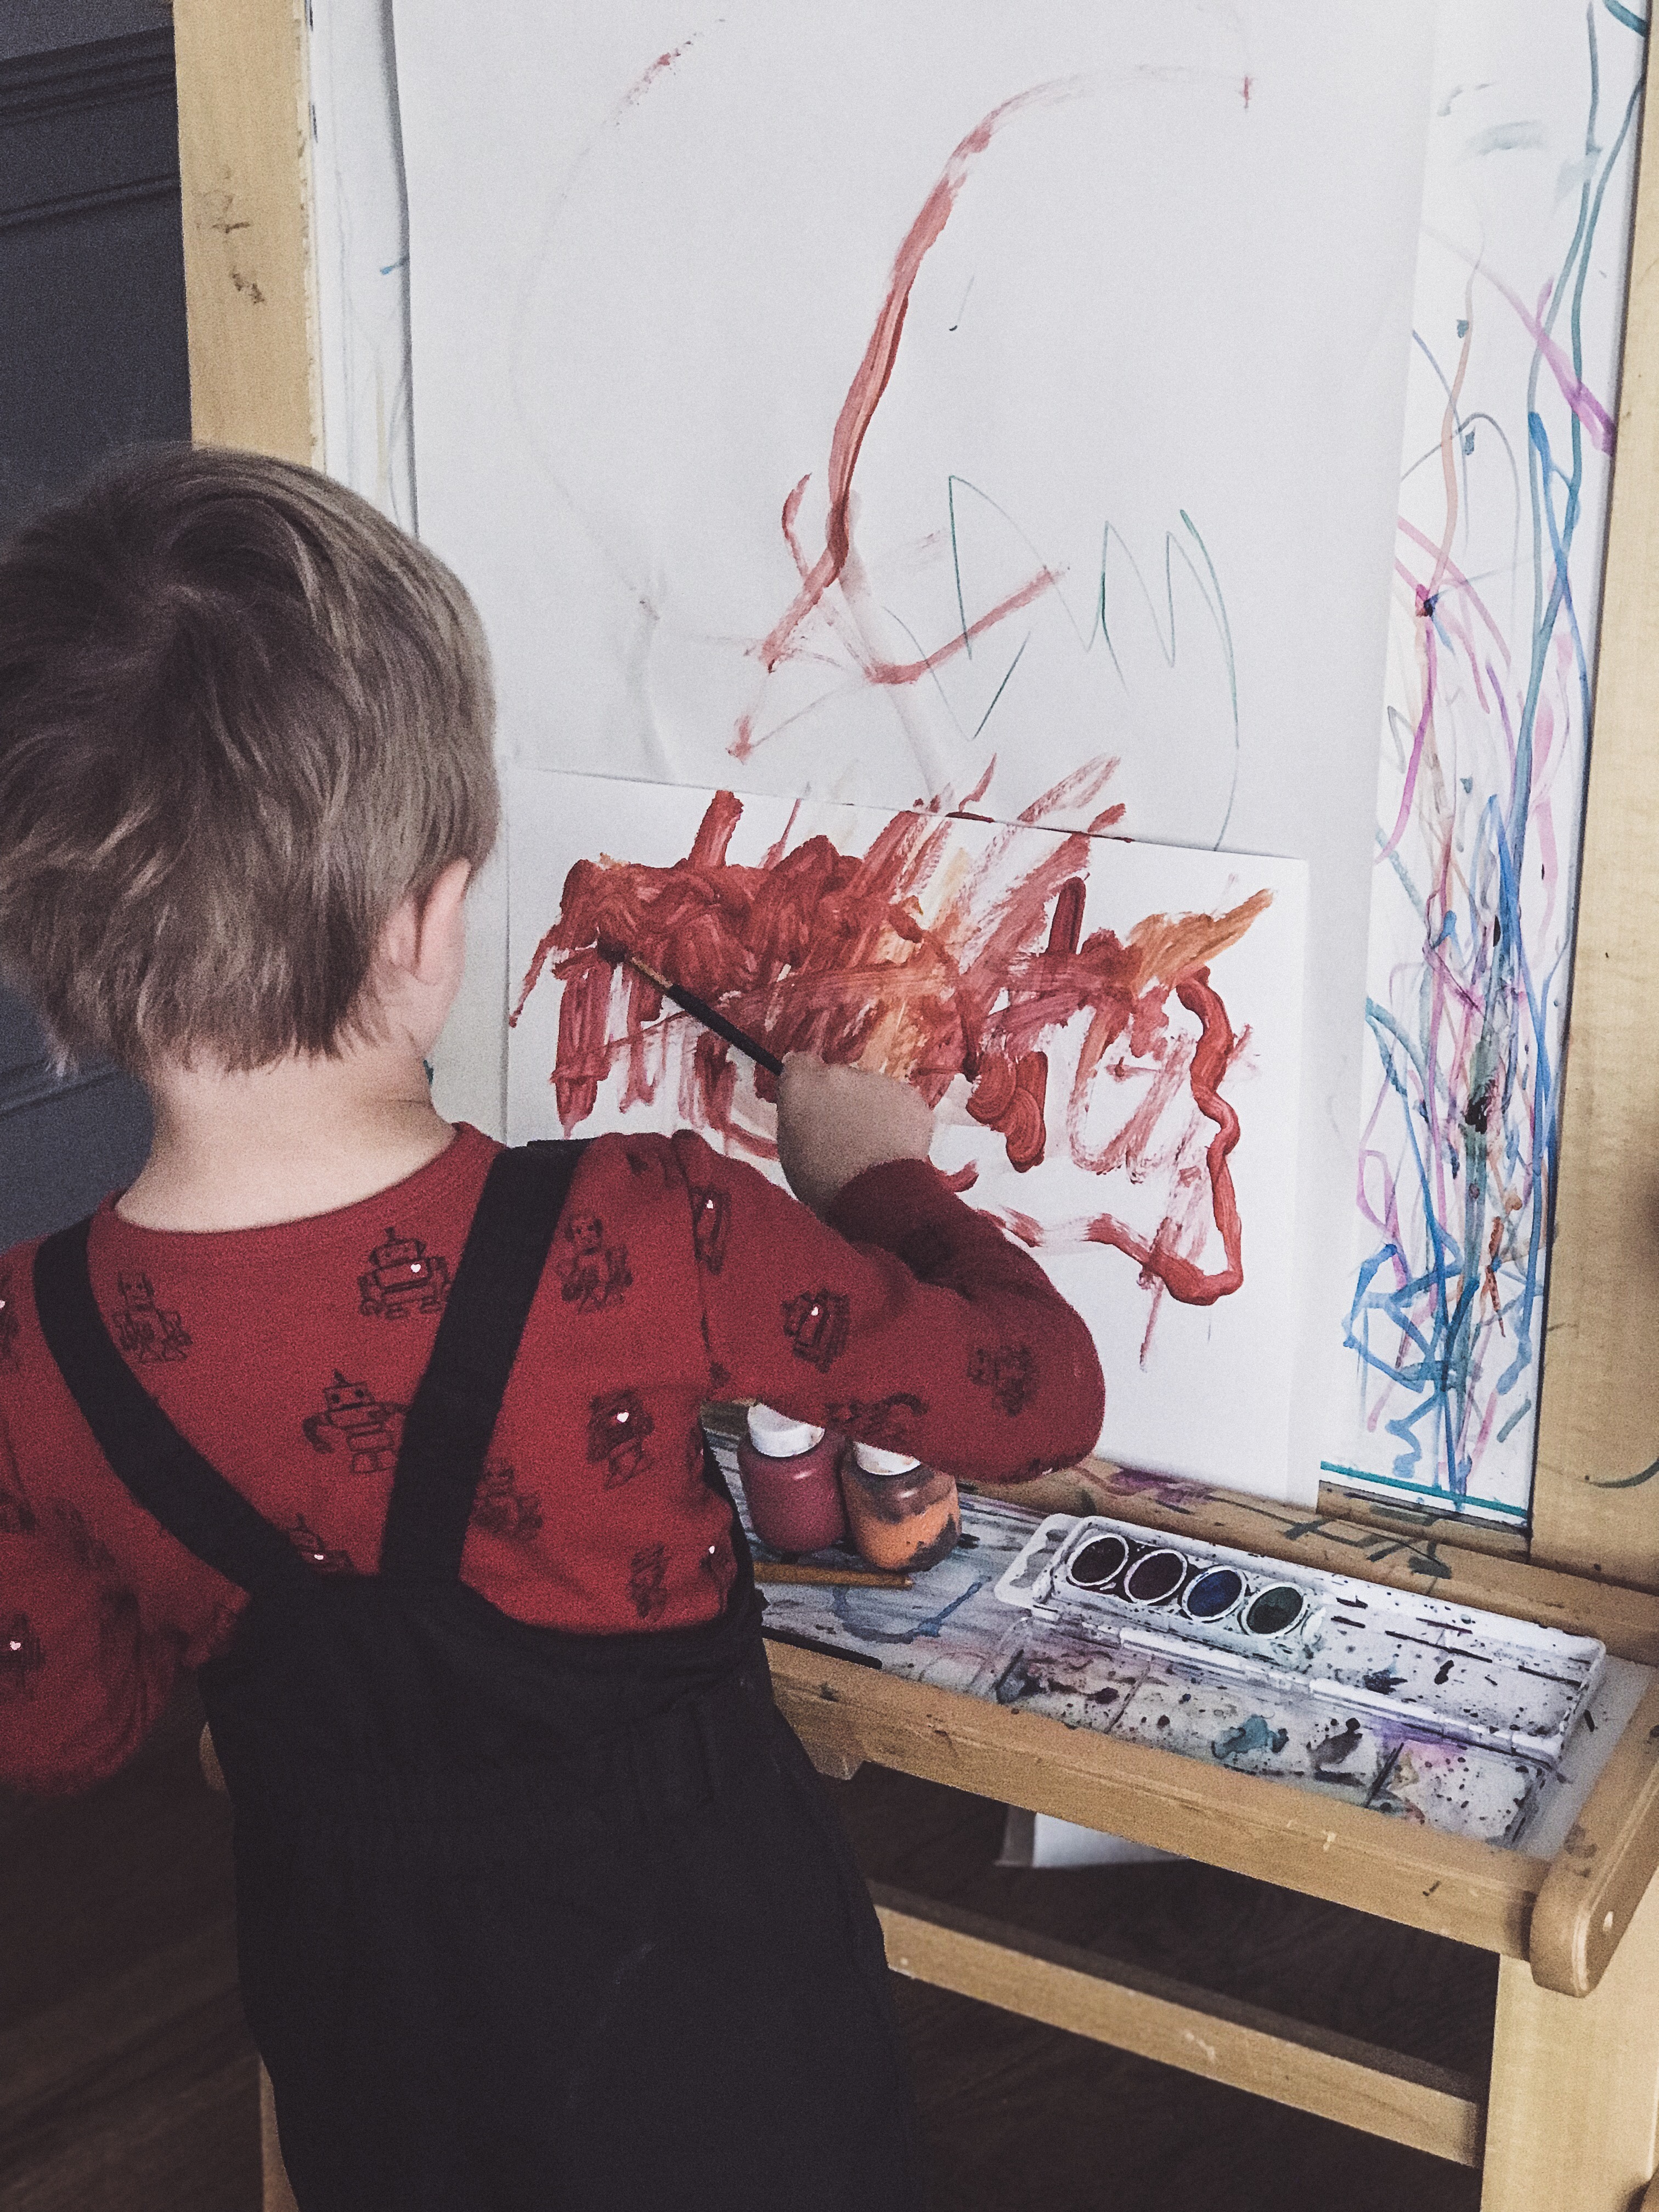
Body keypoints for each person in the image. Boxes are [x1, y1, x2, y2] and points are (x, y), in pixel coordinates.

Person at [0, 447, 1105, 2212]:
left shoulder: (29, 1344)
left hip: (377, 2063)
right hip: (722, 2069)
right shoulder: (642, 1233)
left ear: (47, 951)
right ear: (432, 919)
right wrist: (872, 1176)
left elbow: (60, 1727)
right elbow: (1037, 1395)